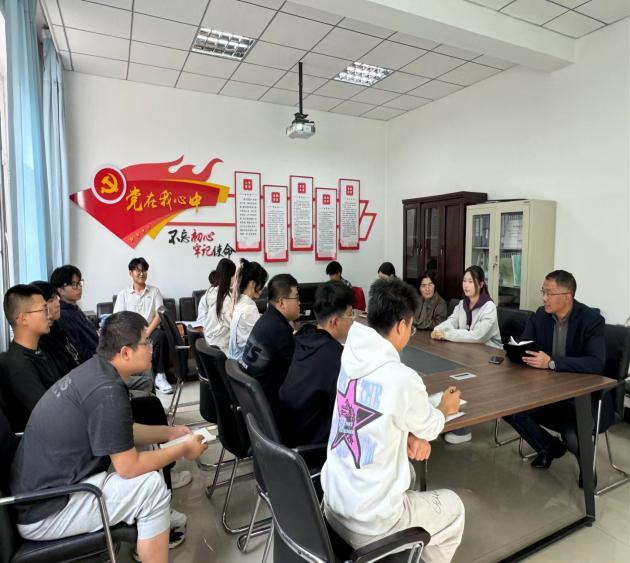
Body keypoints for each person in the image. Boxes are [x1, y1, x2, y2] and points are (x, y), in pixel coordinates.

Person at [10, 311, 208, 560]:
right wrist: (184, 449)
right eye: (146, 342)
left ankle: (153, 528)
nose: (152, 347)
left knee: (147, 449)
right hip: (47, 509)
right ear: (125, 352)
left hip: (52, 489)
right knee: (151, 487)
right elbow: (128, 467)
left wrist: (169, 433)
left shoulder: (97, 370)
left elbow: (121, 431)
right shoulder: (107, 390)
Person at [321, 278, 465, 563]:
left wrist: (407, 436)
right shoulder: (402, 378)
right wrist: (444, 408)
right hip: (370, 526)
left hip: (333, 507)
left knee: (407, 473)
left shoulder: (350, 357)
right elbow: (430, 427)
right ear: (402, 326)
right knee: (455, 509)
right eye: (411, 327)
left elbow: (372, 413)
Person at [503, 270, 605, 484]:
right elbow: (525, 344)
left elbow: (596, 363)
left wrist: (551, 363)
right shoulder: (540, 315)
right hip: (545, 391)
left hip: (579, 398)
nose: (544, 298)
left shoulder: (591, 320)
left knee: (573, 437)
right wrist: (516, 350)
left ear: (567, 297)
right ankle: (548, 446)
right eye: (543, 292)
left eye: (549, 293)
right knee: (507, 407)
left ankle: (587, 468)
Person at [431, 265, 501, 444]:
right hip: (467, 352)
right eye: (464, 281)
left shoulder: (489, 307)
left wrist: (447, 335)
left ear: (481, 284)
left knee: (464, 380)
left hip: (488, 358)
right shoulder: (462, 304)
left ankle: (463, 428)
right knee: (446, 374)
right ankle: (449, 415)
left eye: (471, 281)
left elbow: (478, 336)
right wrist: (438, 329)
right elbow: (451, 322)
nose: (466, 285)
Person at [279, 281, 355, 446]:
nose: (352, 320)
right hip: (311, 446)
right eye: (350, 314)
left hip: (286, 434)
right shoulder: (335, 357)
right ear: (334, 321)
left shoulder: (303, 337)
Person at [0, 285, 63, 432]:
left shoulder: (41, 351)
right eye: (43, 310)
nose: (49, 315)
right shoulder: (19, 365)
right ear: (23, 319)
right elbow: (49, 413)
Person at [240, 274, 300, 411]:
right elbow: (297, 373)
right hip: (268, 404)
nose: (299, 303)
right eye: (296, 297)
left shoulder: (267, 318)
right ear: (282, 302)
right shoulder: (279, 329)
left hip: (252, 399)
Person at [114, 257, 172, 394]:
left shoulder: (154, 291)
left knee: (160, 336)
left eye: (144, 270)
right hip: (131, 333)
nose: (142, 273)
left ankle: (160, 376)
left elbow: (159, 314)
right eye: (138, 270)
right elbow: (118, 317)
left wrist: (146, 333)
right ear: (130, 273)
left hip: (150, 330)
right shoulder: (123, 294)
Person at [30, 281, 80, 377]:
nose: (57, 304)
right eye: (50, 300)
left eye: (56, 298)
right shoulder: (41, 340)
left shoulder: (57, 328)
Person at [51, 265, 98, 364]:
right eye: (74, 284)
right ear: (60, 290)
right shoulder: (62, 315)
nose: (79, 288)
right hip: (93, 362)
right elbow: (78, 350)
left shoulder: (74, 308)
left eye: (79, 283)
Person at [227, 260, 268, 362]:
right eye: (262, 284)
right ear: (252, 284)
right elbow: (263, 337)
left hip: (234, 360)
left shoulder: (239, 302)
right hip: (243, 361)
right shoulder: (249, 309)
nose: (262, 288)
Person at [203, 258, 237, 353]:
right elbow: (234, 325)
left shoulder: (211, 292)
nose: (235, 278)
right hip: (221, 349)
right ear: (228, 276)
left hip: (209, 343)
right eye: (234, 275)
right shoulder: (225, 300)